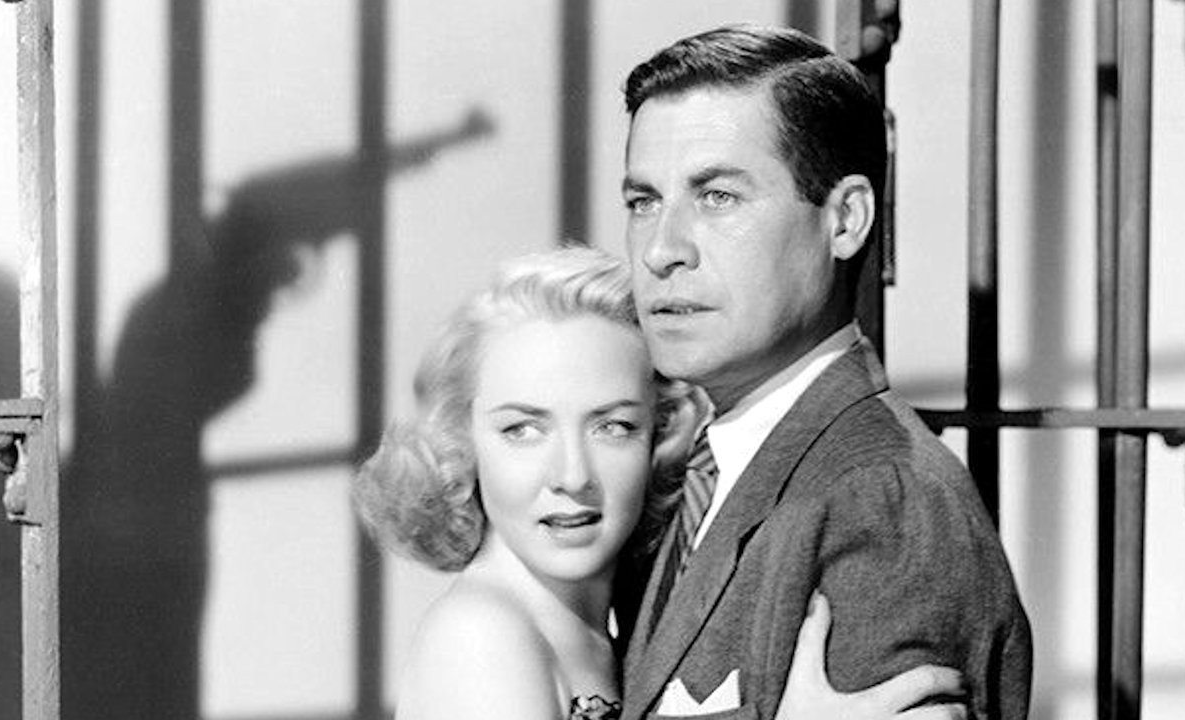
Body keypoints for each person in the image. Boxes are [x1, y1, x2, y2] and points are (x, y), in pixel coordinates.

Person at [353, 247, 971, 720]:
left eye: (613, 427)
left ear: (661, 435)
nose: (572, 476)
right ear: (462, 445)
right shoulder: (482, 637)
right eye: (523, 430)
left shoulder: (595, 625)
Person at [616, 24, 1033, 720]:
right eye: (644, 202)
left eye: (718, 197)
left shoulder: (882, 503)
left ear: (845, 220)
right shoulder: (703, 468)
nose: (662, 249)